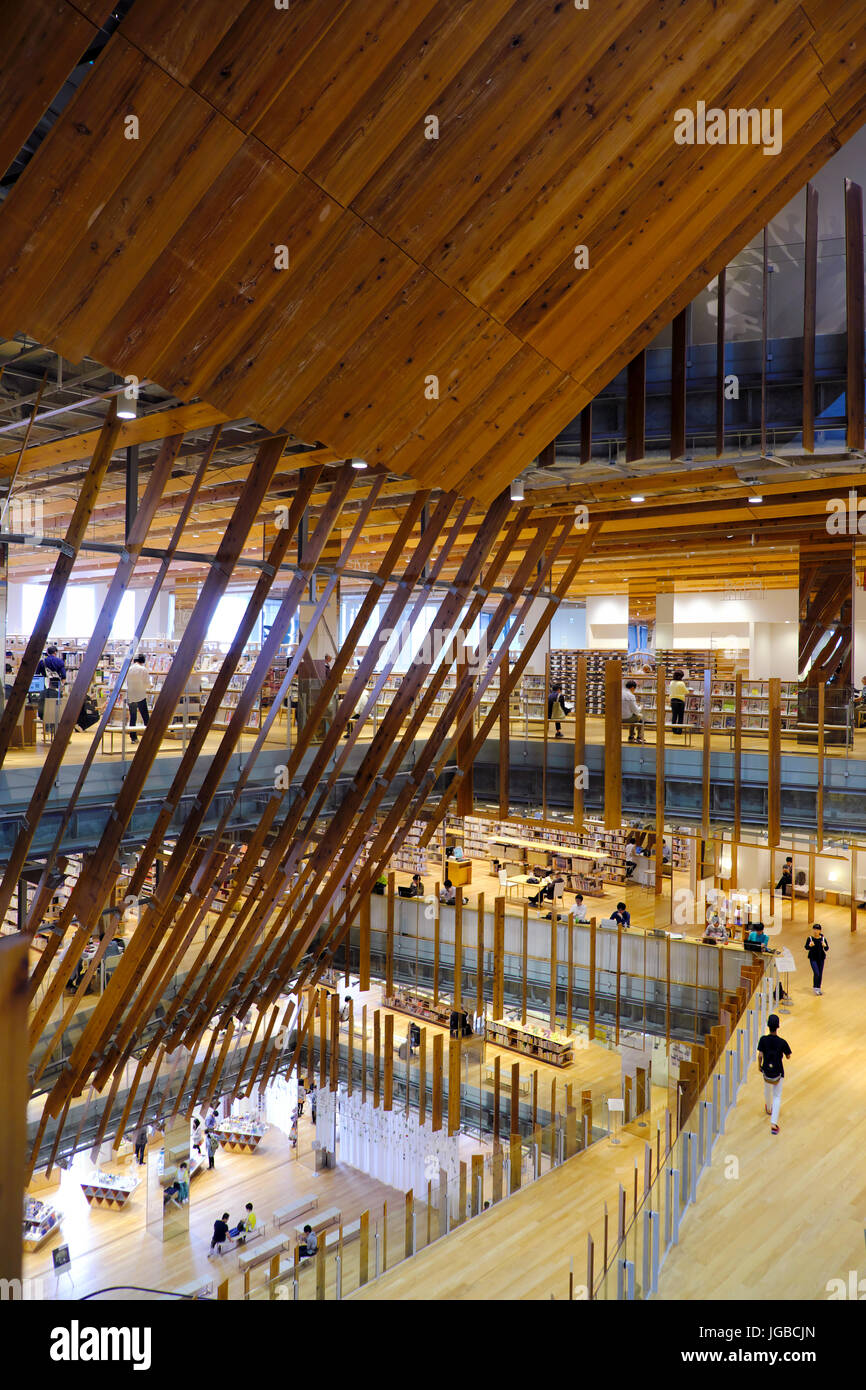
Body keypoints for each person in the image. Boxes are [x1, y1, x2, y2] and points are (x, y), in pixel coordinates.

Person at [757, 1013, 791, 1135]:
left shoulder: (763, 1040)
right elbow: (788, 1056)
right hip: (778, 1073)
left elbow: (760, 1055)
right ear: (778, 1026)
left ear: (768, 1025)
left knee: (767, 1089)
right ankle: (773, 1123)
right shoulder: (782, 1042)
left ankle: (768, 1108)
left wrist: (759, 1066)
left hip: (766, 1071)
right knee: (777, 1096)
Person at [126, 654, 150, 744]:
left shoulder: (129, 669)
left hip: (130, 695)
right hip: (140, 695)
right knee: (145, 717)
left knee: (133, 717)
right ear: (143, 661)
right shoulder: (143, 669)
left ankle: (133, 738)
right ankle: (148, 736)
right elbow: (147, 683)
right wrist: (150, 686)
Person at [804, 925, 829, 995]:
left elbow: (827, 949)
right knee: (816, 973)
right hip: (813, 958)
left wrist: (825, 945)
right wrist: (810, 945)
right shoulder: (810, 938)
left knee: (820, 973)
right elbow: (806, 947)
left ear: (820, 931)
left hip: (821, 958)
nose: (815, 931)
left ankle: (818, 988)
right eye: (814, 929)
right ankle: (815, 987)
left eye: (817, 930)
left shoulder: (823, 939)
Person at [669, 669, 688, 733]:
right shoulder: (681, 683)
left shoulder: (671, 682)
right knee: (680, 716)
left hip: (673, 700)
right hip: (680, 700)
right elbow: (686, 691)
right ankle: (679, 730)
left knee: (674, 715)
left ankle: (673, 730)